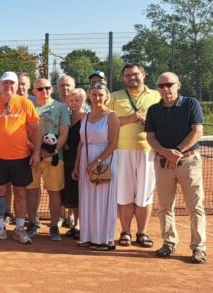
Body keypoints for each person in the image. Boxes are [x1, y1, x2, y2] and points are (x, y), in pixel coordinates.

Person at [146, 72, 206, 264]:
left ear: (178, 85)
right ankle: (168, 242)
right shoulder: (154, 110)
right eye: (161, 86)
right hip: (163, 163)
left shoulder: (191, 104)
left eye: (169, 84)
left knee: (195, 206)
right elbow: (150, 137)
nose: (165, 89)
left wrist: (177, 151)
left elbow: (197, 130)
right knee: (164, 206)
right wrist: (165, 153)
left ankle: (198, 248)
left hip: (189, 162)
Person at [0, 71, 41, 245]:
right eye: (5, 83)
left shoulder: (26, 104)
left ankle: (19, 229)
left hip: (21, 157)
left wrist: (36, 153)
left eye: (11, 83)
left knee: (20, 193)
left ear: (17, 86)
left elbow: (36, 130)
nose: (8, 86)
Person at [108, 63, 161, 248]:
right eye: (128, 75)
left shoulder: (156, 95)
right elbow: (107, 122)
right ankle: (125, 232)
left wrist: (151, 124)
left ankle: (142, 232)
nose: (132, 77)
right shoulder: (114, 97)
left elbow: (163, 122)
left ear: (144, 75)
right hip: (121, 151)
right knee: (124, 194)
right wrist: (129, 119)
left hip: (149, 151)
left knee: (145, 194)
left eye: (136, 74)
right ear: (123, 78)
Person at [72, 82, 119, 251]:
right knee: (87, 199)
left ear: (106, 96)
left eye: (100, 94)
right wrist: (77, 166)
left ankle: (105, 240)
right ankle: (88, 237)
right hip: (86, 161)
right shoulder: (84, 117)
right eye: (94, 94)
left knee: (102, 201)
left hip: (104, 161)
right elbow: (80, 144)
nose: (97, 98)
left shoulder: (111, 116)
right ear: (89, 97)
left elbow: (113, 144)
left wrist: (96, 161)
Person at [26, 78, 69, 241]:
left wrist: (54, 151)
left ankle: (53, 226)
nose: (44, 91)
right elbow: (25, 132)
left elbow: (64, 132)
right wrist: (37, 151)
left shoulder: (61, 107)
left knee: (54, 192)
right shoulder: (29, 106)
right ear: (34, 91)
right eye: (40, 89)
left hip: (55, 158)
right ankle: (31, 223)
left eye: (47, 88)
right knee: (31, 191)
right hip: (33, 157)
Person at [62, 88, 87, 238]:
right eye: (71, 100)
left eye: (77, 100)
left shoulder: (86, 117)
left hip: (82, 159)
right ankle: (76, 224)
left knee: (82, 193)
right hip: (67, 159)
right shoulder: (66, 117)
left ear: (83, 101)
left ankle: (83, 225)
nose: (74, 103)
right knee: (72, 193)